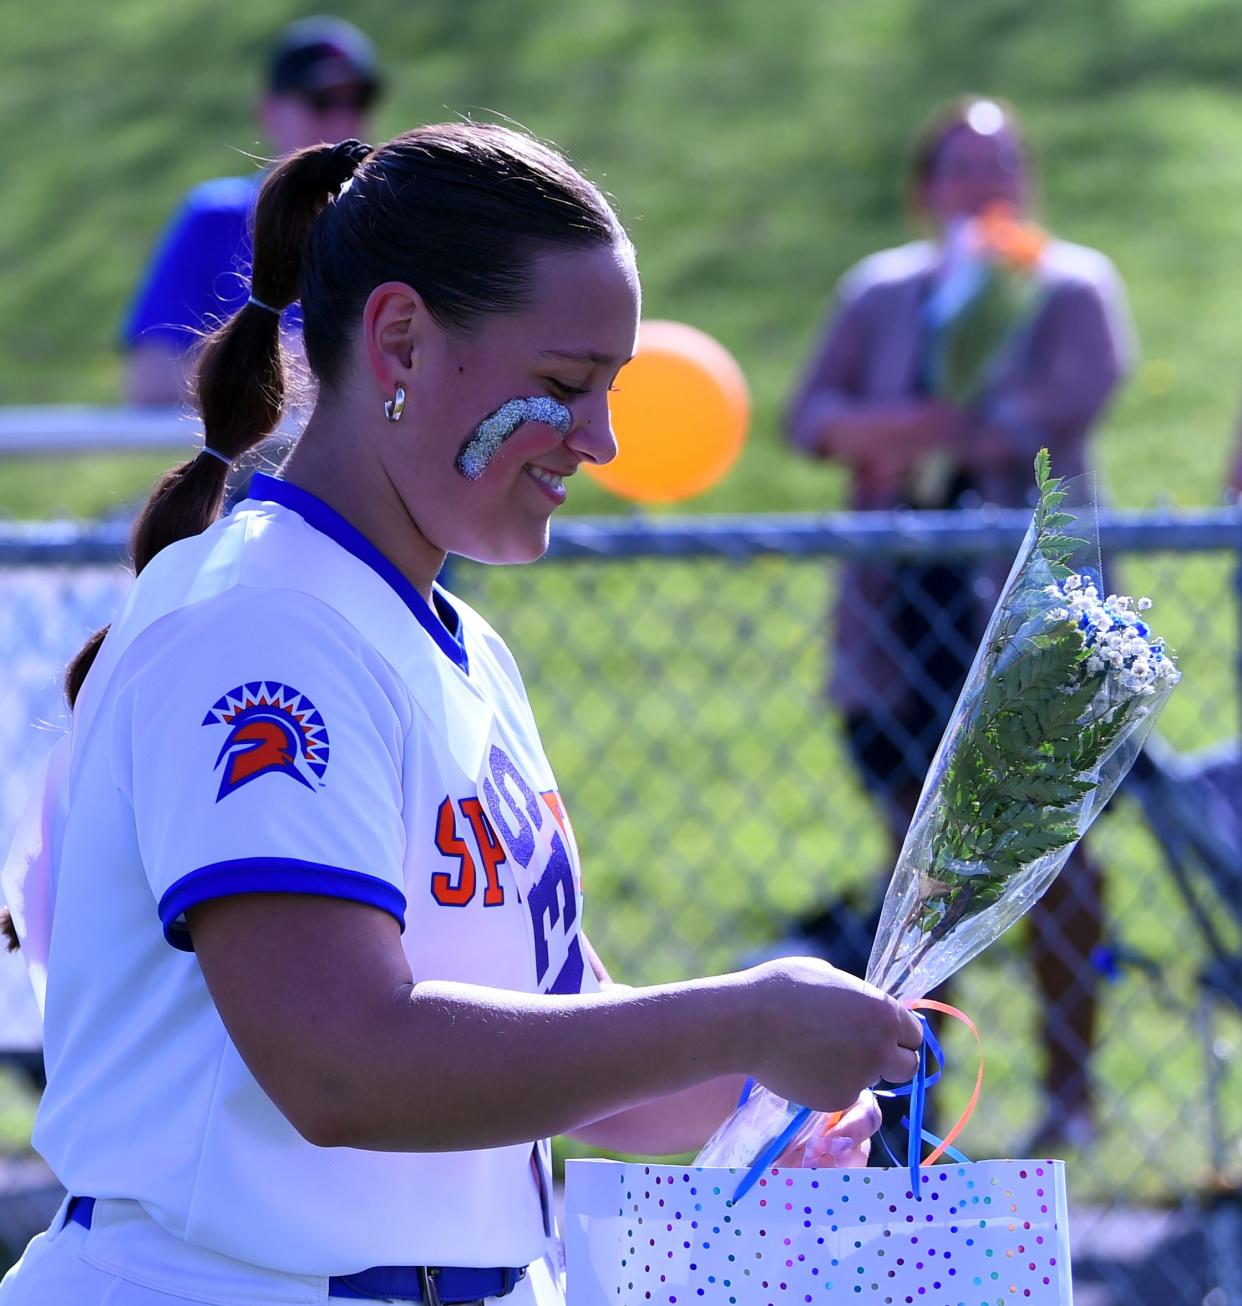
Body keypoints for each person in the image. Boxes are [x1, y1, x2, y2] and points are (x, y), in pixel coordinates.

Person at [0, 123, 922, 1306]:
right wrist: (739, 1019)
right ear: (400, 341)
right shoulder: (263, 621)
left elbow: (573, 1042)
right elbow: (343, 1062)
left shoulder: (456, 643)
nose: (602, 441)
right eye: (562, 385)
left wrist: (774, 1095)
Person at [786, 95, 1136, 1155]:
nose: (980, 190)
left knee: (1059, 866)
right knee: (919, 875)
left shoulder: (1069, 286)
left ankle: (1070, 1099)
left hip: (1029, 630)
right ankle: (913, 1114)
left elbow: (1055, 406)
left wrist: (900, 430)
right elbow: (811, 417)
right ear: (922, 187)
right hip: (903, 630)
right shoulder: (881, 292)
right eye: (957, 170)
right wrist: (905, 431)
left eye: (1000, 169)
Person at [121, 15, 381, 406]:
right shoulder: (216, 217)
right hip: (251, 459)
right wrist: (292, 368)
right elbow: (149, 379)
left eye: (358, 101)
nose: (343, 119)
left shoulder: (390, 225)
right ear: (269, 112)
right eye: (320, 100)